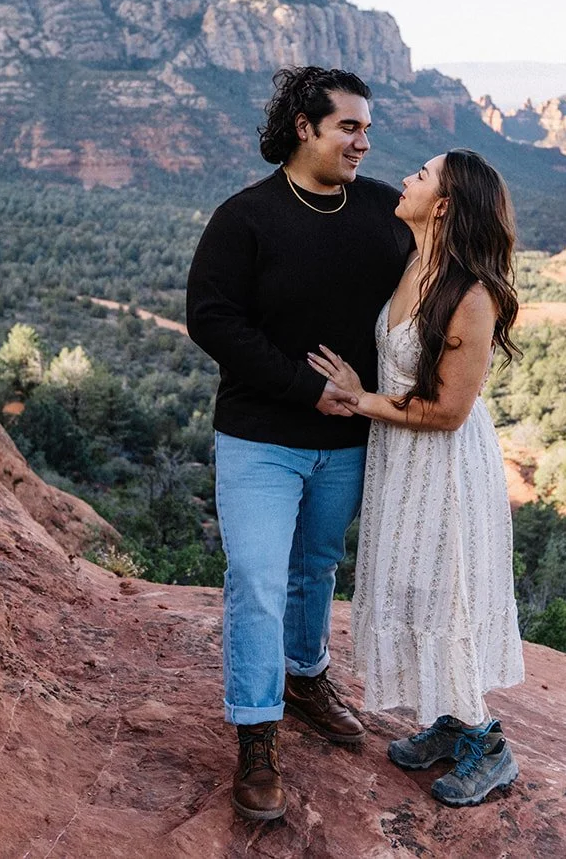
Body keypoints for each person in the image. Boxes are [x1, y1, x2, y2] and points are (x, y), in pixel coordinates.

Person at [185, 66, 412, 821]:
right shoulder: (245, 218)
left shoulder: (384, 211)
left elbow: (440, 279)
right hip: (260, 437)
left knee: (315, 568)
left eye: (366, 128)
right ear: (304, 128)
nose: (363, 141)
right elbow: (212, 320)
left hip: (347, 441)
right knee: (255, 573)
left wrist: (382, 393)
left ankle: (307, 674)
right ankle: (257, 732)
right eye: (348, 126)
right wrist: (305, 386)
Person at [306, 149, 525, 808]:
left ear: (447, 204)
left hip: (445, 463)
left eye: (422, 176)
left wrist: (357, 396)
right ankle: (452, 719)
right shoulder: (414, 258)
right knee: (410, 580)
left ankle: (488, 744)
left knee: (445, 587)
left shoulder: (471, 296)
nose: (406, 179)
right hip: (401, 455)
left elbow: (449, 410)